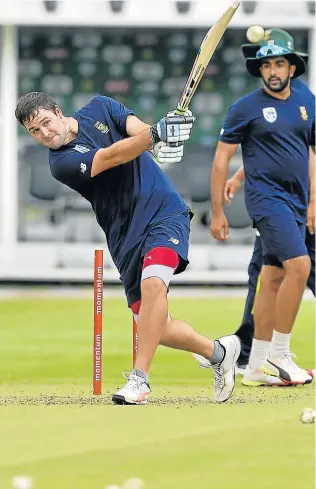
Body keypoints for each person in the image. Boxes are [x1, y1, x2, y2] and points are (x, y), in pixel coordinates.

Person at [15, 91, 241, 405]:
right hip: (124, 236)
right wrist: (157, 133)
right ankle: (219, 353)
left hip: (164, 212)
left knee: (153, 285)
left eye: (45, 123)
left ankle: (139, 381)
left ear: (57, 110)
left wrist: (160, 136)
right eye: (34, 132)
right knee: (155, 327)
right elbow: (112, 156)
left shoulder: (100, 107)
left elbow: (139, 131)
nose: (45, 134)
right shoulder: (61, 163)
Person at [209, 28, 315, 387]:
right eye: (266, 64)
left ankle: (254, 365)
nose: (272, 70)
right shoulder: (246, 107)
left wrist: (313, 200)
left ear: (292, 69)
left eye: (279, 64)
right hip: (267, 201)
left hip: (298, 202)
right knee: (299, 267)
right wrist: (218, 211)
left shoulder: (306, 102)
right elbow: (221, 159)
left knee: (271, 279)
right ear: (260, 70)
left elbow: (306, 152)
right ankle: (279, 354)